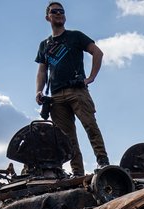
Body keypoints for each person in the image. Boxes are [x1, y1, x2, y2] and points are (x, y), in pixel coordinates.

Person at [36, 1, 110, 176]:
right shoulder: (44, 45)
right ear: (48, 17)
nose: (59, 14)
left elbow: (97, 52)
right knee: (67, 138)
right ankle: (77, 172)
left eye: (62, 11)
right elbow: (42, 70)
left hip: (77, 91)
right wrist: (39, 91)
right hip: (55, 97)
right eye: (55, 11)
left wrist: (91, 77)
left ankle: (103, 162)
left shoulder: (75, 36)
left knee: (90, 126)